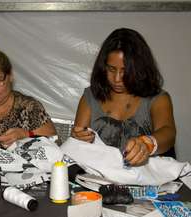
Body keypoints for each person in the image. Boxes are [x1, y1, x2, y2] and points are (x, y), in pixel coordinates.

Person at [71, 28, 176, 167]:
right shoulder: (90, 97)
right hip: (98, 180)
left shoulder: (157, 99)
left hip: (145, 182)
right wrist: (77, 138)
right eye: (111, 69)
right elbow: (78, 145)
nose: (117, 79)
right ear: (103, 67)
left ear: (140, 69)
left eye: (125, 71)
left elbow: (168, 133)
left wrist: (147, 143)